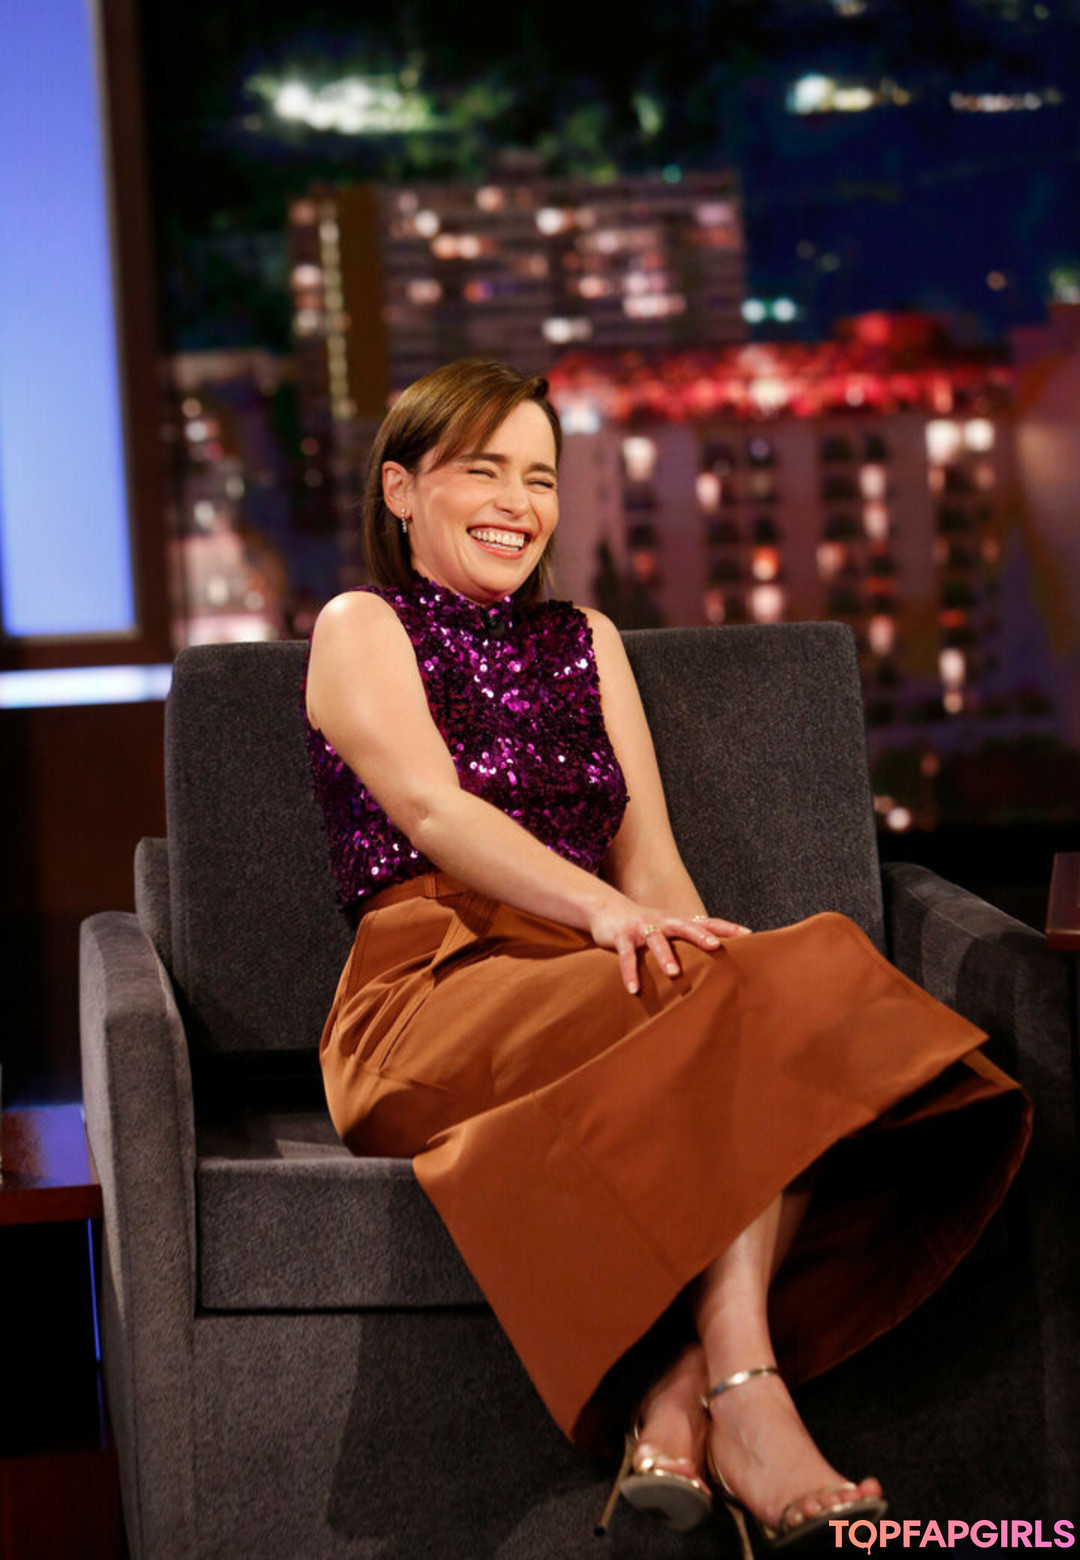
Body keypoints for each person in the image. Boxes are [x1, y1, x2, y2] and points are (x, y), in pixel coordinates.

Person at [303, 359, 1030, 1554]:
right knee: (744, 1008)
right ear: (401, 489)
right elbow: (434, 812)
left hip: (595, 967)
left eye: (541, 477)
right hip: (432, 988)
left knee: (798, 983)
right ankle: (747, 1400)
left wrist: (716, 962)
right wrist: (605, 917)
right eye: (483, 470)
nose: (518, 503)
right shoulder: (360, 626)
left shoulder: (587, 640)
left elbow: (652, 864)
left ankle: (694, 1391)